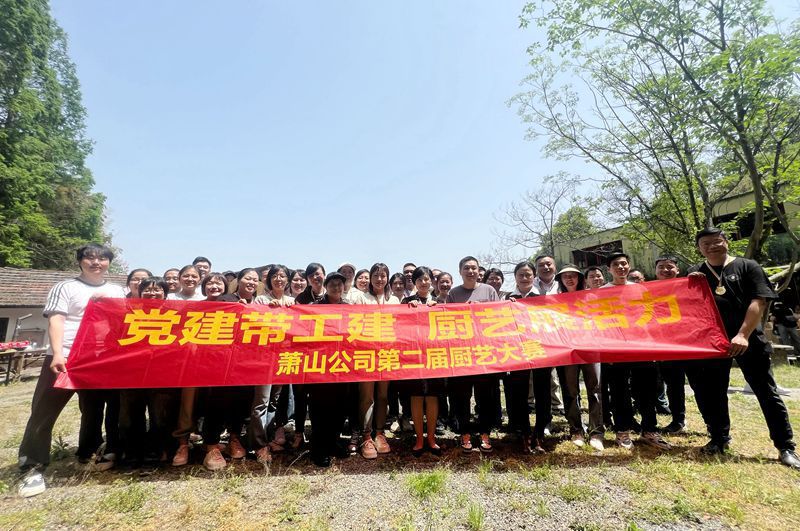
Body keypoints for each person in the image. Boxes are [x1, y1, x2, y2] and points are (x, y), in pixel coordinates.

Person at [18, 244, 126, 497]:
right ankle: (32, 466)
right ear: (80, 261)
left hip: (98, 358)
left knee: (93, 409)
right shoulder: (65, 287)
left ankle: (90, 452)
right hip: (66, 356)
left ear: (109, 263)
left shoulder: (116, 290)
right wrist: (57, 352)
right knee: (44, 411)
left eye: (102, 258)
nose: (96, 262)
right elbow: (56, 319)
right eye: (90, 258)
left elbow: (122, 320)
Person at [686, 228, 799, 469]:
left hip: (748, 340)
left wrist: (742, 334)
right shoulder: (696, 273)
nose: (712, 246)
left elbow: (759, 301)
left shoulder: (748, 266)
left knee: (766, 392)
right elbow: (690, 307)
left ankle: (785, 446)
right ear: (699, 248)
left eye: (716, 241)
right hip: (713, 344)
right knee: (713, 392)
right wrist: (690, 284)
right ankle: (719, 439)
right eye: (705, 244)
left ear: (726, 242)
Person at [602, 252, 671, 451]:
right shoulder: (602, 292)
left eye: (624, 264)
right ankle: (622, 431)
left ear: (629, 266)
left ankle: (649, 431)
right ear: (609, 269)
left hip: (642, 346)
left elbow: (651, 313)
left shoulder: (640, 289)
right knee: (619, 392)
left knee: (647, 390)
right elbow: (600, 320)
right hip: (616, 348)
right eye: (616, 264)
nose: (621, 267)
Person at [118, 277, 178, 467]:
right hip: (131, 373)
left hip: (162, 374)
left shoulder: (176, 315)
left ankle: (154, 453)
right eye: (148, 290)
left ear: (165, 294)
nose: (152, 293)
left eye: (158, 289)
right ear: (140, 292)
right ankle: (132, 453)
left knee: (159, 418)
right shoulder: (128, 313)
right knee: (129, 417)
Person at [447, 256, 499, 453]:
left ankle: (485, 432)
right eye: (466, 268)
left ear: (479, 271)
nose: (470, 271)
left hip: (484, 352)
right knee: (462, 396)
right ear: (460, 271)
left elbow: (498, 318)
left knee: (485, 396)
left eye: (474, 268)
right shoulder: (453, 293)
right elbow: (446, 320)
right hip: (462, 352)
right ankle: (465, 432)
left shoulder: (489, 290)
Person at [554, 265, 604, 451]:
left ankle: (596, 432)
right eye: (565, 276)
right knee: (570, 390)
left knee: (595, 389)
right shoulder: (555, 300)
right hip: (568, 350)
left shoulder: (591, 297)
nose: (569, 279)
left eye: (573, 276)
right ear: (560, 280)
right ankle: (576, 430)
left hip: (591, 347)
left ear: (580, 278)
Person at [250, 265, 295, 463]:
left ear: (288, 280)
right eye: (275, 276)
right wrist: (269, 310)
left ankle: (268, 439)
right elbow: (254, 325)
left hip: (283, 357)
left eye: (282, 276)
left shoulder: (292, 301)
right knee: (261, 401)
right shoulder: (261, 300)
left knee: (274, 401)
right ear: (269, 280)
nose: (279, 279)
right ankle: (258, 444)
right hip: (264, 358)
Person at [307, 271, 352, 467]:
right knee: (320, 408)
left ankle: (334, 442)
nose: (336, 287)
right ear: (325, 286)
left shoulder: (350, 309)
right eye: (332, 284)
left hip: (342, 364)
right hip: (320, 365)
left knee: (340, 407)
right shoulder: (314, 308)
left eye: (339, 284)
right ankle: (319, 449)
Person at [505, 260, 550, 453]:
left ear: (534, 276)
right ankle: (524, 433)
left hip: (541, 349)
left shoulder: (543, 297)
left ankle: (539, 433)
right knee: (519, 393)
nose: (524, 278)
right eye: (521, 275)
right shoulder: (507, 298)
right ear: (515, 277)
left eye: (528, 275)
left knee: (543, 392)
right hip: (516, 351)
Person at [357, 263, 400, 458]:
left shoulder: (395, 300)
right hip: (366, 353)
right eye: (376, 275)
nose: (379, 279)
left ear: (387, 278)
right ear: (370, 278)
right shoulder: (360, 298)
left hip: (387, 354)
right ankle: (366, 435)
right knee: (367, 396)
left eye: (383, 275)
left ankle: (380, 433)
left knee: (383, 395)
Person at [401, 267, 444, 456]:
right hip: (414, 356)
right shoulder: (407, 302)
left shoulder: (440, 302)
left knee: (433, 396)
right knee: (416, 397)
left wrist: (437, 309)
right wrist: (409, 310)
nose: (423, 283)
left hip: (435, 355)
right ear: (415, 282)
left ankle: (432, 438)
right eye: (420, 279)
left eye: (427, 279)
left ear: (431, 281)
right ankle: (419, 439)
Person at [654, 256, 687, 434]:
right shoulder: (649, 291)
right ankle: (678, 420)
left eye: (670, 267)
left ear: (678, 270)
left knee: (702, 387)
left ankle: (714, 425)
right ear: (655, 271)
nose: (665, 270)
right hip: (666, 347)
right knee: (674, 386)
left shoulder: (688, 287)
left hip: (691, 345)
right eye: (661, 267)